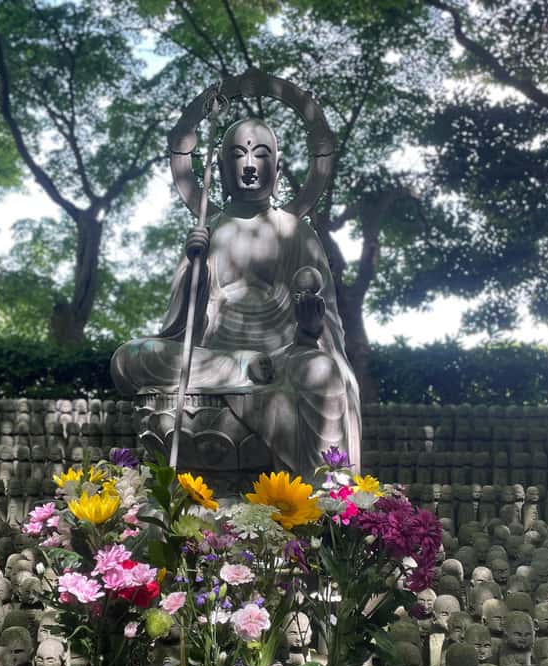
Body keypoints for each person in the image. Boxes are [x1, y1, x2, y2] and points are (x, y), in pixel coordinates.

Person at [111, 116, 361, 475]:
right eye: (237, 156)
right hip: (217, 357)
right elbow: (181, 328)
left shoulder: (297, 234)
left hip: (283, 358)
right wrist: (195, 274)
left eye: (260, 155)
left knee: (323, 371)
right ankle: (245, 366)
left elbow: (328, 329)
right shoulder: (208, 230)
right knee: (129, 359)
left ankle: (328, 496)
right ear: (223, 169)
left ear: (277, 167)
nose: (248, 166)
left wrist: (309, 330)